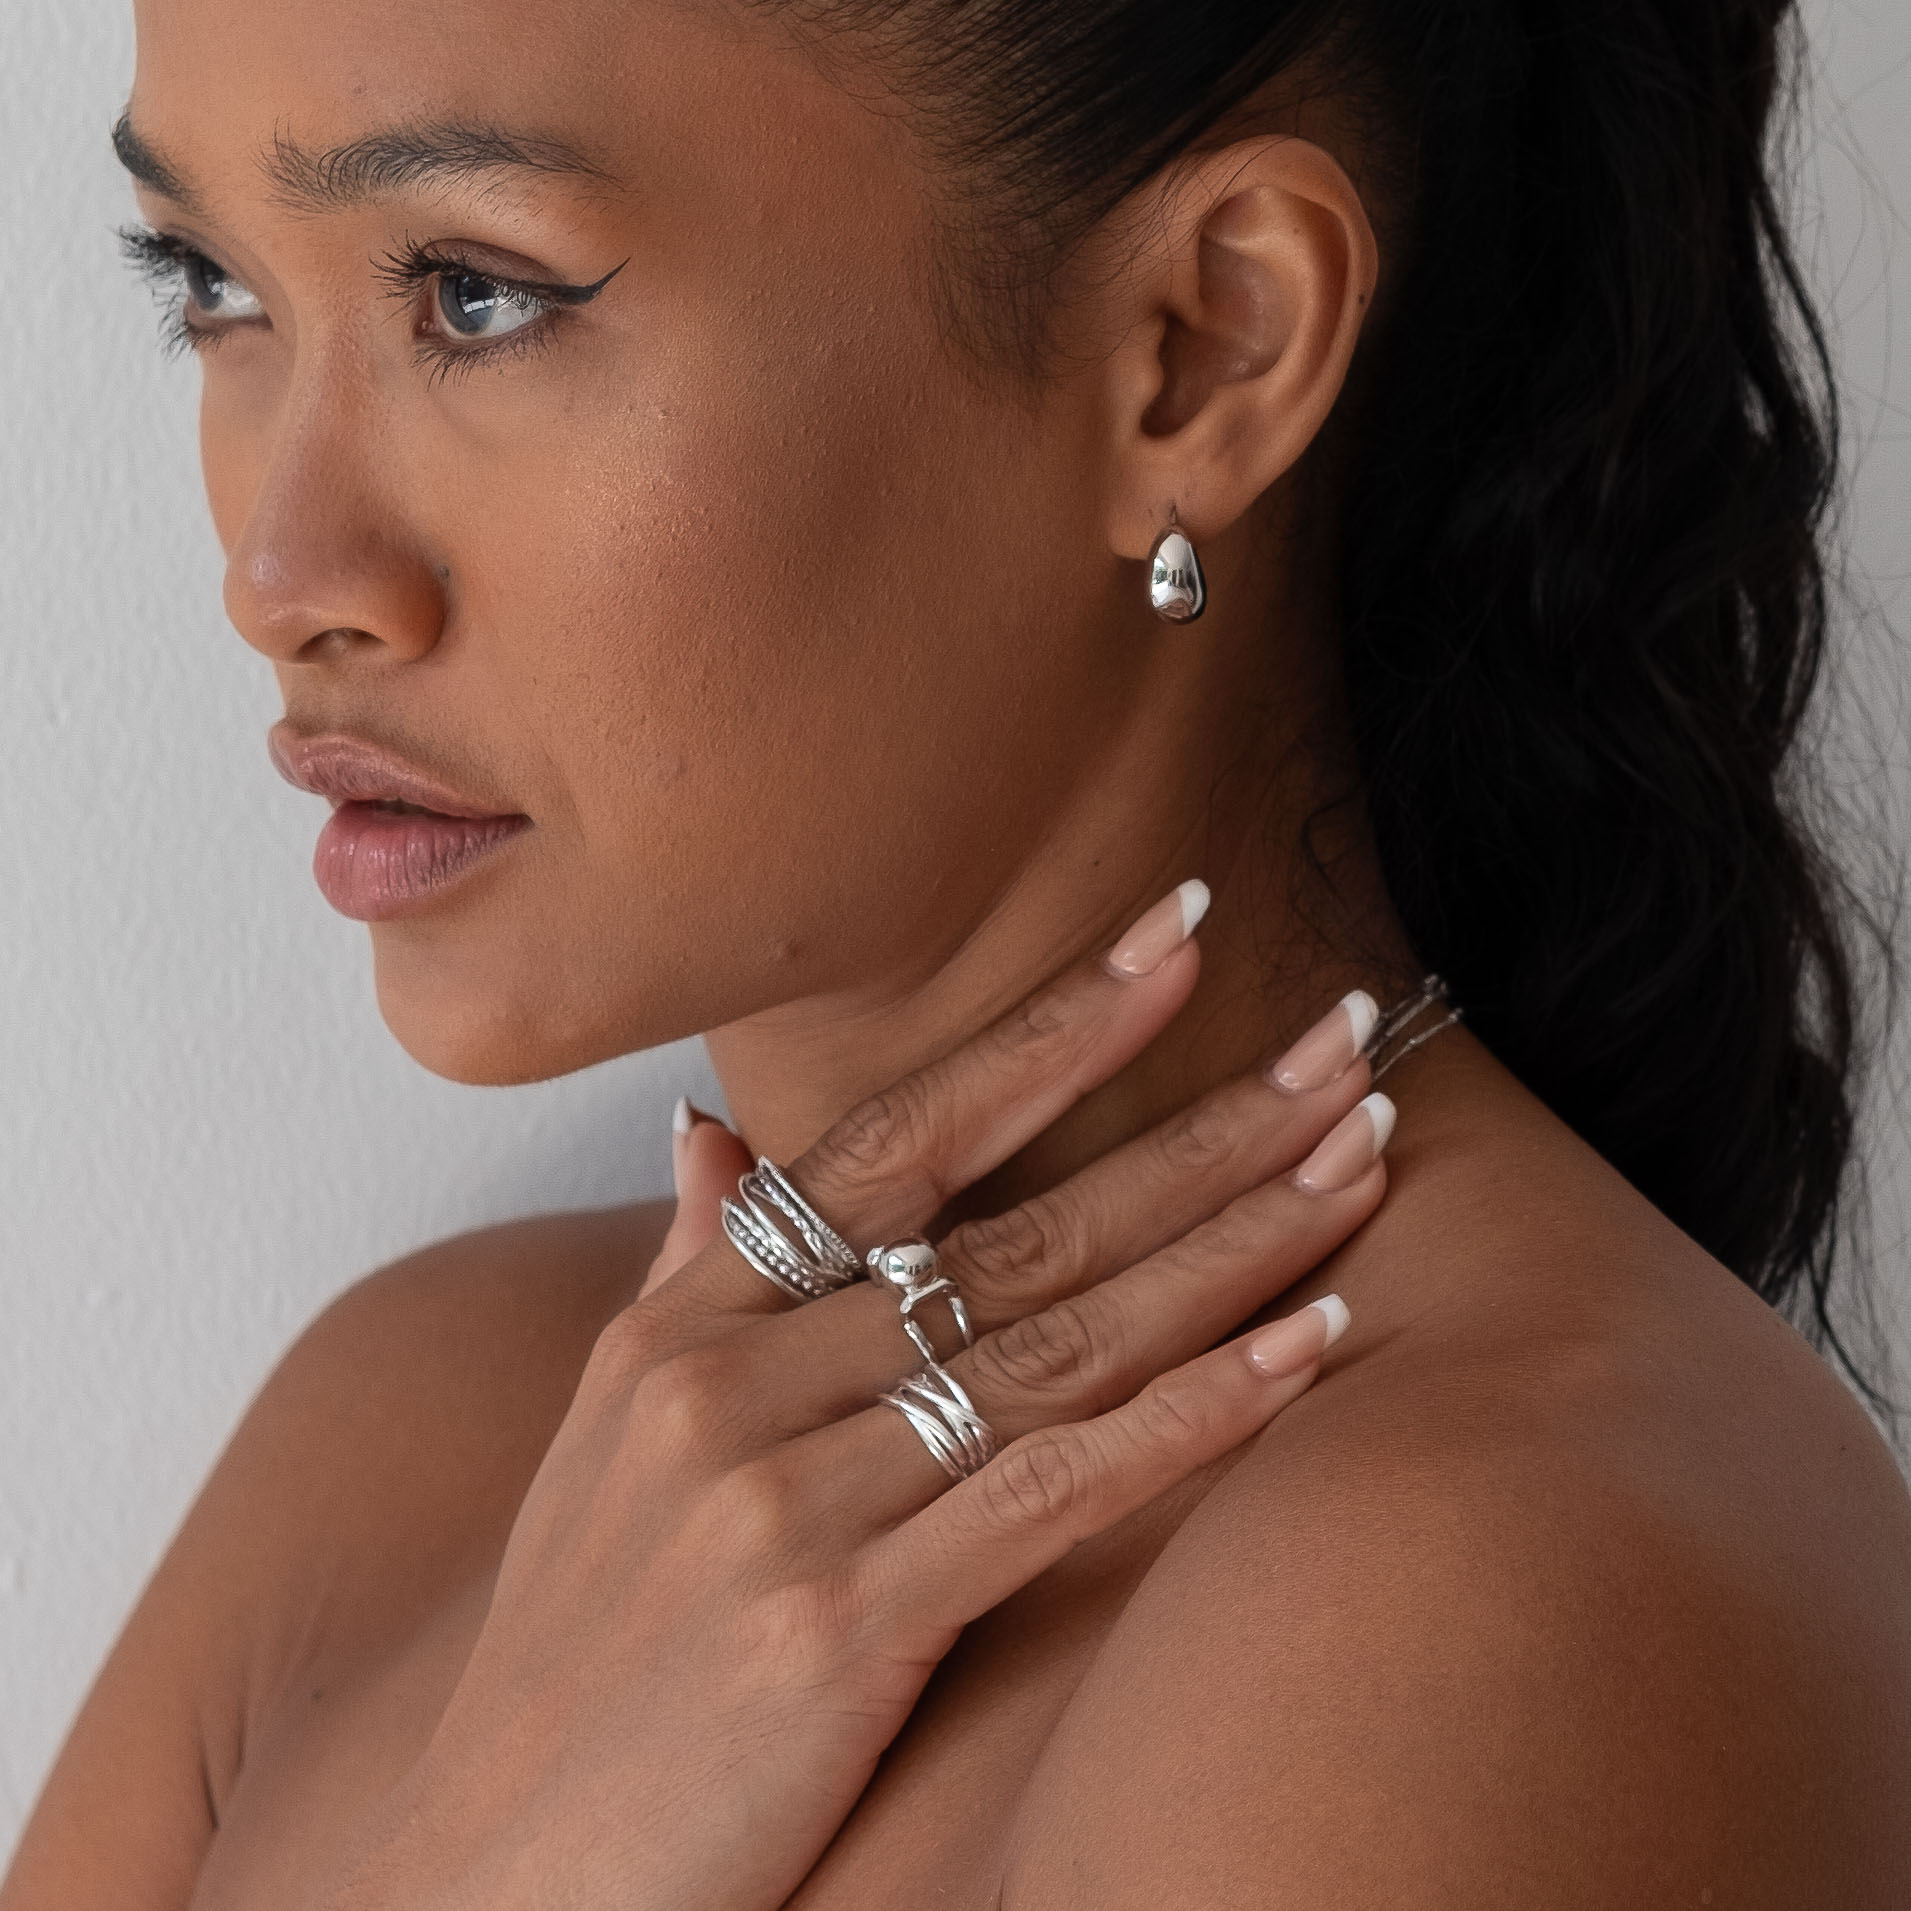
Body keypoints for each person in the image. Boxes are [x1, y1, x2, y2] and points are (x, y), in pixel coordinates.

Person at [7, 0, 1911, 1902]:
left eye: (478, 296)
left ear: (1201, 350)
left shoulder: (1484, 1611)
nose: (282, 576)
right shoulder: (395, 1441)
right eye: (214, 283)